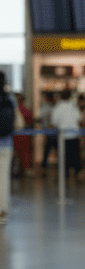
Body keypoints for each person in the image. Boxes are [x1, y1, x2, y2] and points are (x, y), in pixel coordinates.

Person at [52, 87, 82, 180]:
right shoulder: (74, 106)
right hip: (74, 135)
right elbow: (79, 119)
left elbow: (54, 122)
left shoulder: (57, 107)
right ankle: (77, 176)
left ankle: (64, 176)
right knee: (76, 157)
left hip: (63, 136)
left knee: (63, 158)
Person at [0, 72, 14, 224]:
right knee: (3, 179)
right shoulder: (10, 99)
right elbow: (17, 122)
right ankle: (2, 211)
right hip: (6, 144)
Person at [13, 93, 33, 175]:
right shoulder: (24, 108)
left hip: (17, 134)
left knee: (18, 153)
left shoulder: (15, 108)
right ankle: (25, 169)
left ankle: (19, 169)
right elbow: (29, 120)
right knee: (24, 153)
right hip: (24, 134)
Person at [38, 91, 58, 172]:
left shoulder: (45, 107)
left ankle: (44, 167)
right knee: (56, 150)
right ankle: (61, 166)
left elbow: (40, 118)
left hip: (48, 132)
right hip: (54, 132)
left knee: (47, 150)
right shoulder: (55, 107)